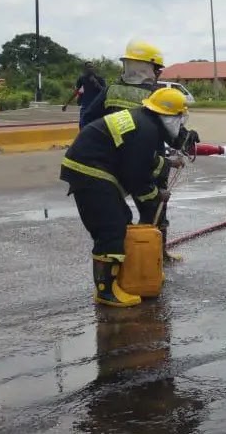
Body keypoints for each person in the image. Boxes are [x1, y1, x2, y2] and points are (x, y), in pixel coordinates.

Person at [59, 88, 190, 307]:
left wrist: (167, 164)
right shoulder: (146, 129)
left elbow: (140, 157)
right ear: (168, 116)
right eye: (179, 118)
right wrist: (157, 195)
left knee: (122, 218)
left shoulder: (144, 121)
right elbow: (136, 176)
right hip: (90, 170)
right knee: (111, 227)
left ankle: (124, 278)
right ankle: (105, 291)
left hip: (91, 166)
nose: (181, 123)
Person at [83, 39, 199, 262]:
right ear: (147, 68)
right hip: (149, 162)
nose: (158, 73)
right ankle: (154, 257)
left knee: (117, 215)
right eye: (157, 69)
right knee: (154, 208)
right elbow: (170, 130)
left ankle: (129, 255)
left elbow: (88, 120)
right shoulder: (155, 94)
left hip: (112, 163)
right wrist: (187, 138)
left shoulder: (111, 90)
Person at [62, 62, 107, 128]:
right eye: (88, 67)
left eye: (91, 67)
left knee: (95, 125)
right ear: (85, 69)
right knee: (82, 124)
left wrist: (96, 83)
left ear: (94, 68)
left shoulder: (100, 79)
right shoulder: (82, 78)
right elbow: (76, 91)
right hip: (85, 105)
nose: (90, 68)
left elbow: (104, 91)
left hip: (96, 106)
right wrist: (67, 103)